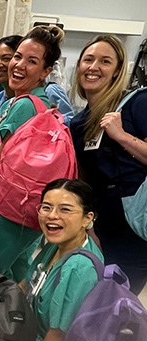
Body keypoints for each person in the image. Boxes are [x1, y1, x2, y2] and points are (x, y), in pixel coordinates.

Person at [0, 26, 65, 282]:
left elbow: (1, 161)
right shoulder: (41, 104)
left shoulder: (24, 105)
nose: (18, 65)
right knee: (17, 274)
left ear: (46, 72)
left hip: (6, 211)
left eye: (32, 61)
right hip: (27, 212)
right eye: (18, 56)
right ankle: (23, 321)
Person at [70, 34, 147, 294]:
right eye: (88, 60)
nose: (93, 67)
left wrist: (121, 136)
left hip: (135, 227)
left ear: (116, 72)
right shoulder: (79, 123)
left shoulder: (137, 103)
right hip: (101, 227)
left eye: (104, 61)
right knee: (92, 299)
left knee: (117, 305)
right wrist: (88, 228)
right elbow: (84, 182)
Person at [21, 179, 102, 341]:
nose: (52, 215)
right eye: (46, 207)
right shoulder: (57, 244)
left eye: (65, 209)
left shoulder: (79, 268)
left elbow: (57, 336)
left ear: (87, 218)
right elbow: (26, 285)